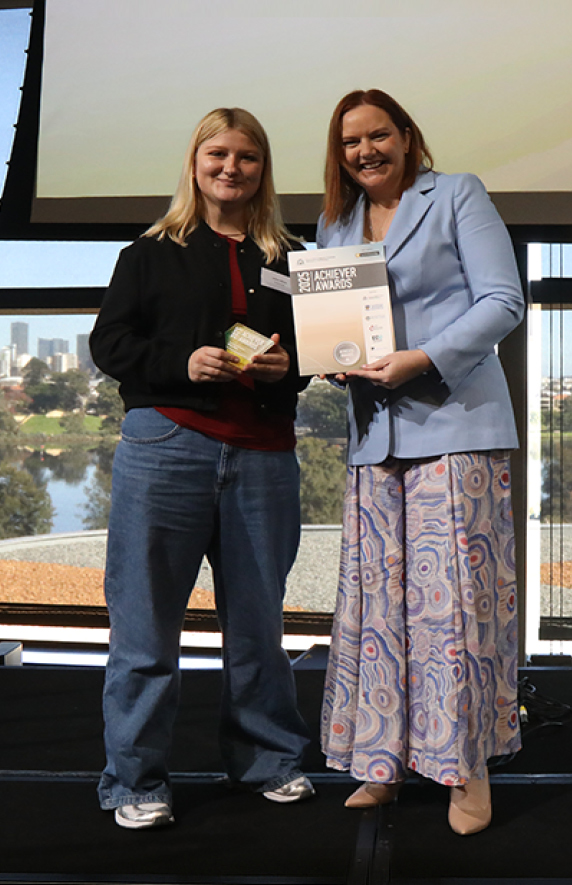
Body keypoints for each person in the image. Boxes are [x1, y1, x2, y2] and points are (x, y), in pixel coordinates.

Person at [90, 107, 313, 830]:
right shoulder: (150, 252)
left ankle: (267, 761)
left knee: (258, 626)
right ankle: (134, 781)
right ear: (194, 163)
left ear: (262, 168)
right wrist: (180, 362)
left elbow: (316, 358)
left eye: (247, 156)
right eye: (217, 153)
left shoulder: (292, 257)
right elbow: (110, 345)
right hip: (167, 448)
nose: (231, 167)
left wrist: (290, 367)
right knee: (145, 626)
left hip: (264, 456)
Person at [314, 89, 524, 838]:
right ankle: (382, 760)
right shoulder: (333, 223)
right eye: (350, 143)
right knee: (380, 610)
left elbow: (504, 300)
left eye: (378, 135)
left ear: (406, 136)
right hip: (375, 435)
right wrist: (335, 362)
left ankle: (466, 767)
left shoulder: (456, 194)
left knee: (454, 609)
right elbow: (335, 328)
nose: (365, 151)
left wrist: (423, 359)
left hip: (456, 425)